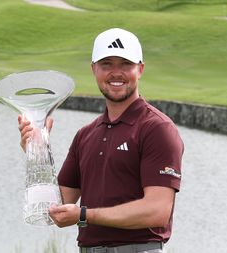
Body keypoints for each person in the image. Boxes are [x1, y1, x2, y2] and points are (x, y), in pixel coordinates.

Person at [18, 28, 184, 253]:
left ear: (140, 69)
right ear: (93, 69)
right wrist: (37, 151)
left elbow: (157, 211)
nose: (116, 73)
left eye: (125, 64)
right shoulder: (86, 135)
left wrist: (84, 215)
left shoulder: (156, 128)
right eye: (107, 64)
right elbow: (55, 209)